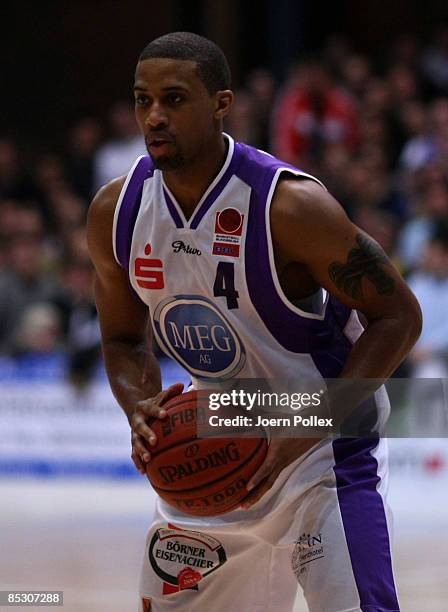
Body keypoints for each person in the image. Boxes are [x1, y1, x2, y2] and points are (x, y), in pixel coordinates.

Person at [87, 32, 422, 612]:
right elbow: (121, 340)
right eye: (144, 101)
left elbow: (399, 317)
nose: (155, 117)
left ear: (221, 104)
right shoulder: (115, 212)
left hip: (322, 448)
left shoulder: (289, 207)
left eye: (174, 98)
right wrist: (139, 407)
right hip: (217, 441)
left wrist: (310, 423)